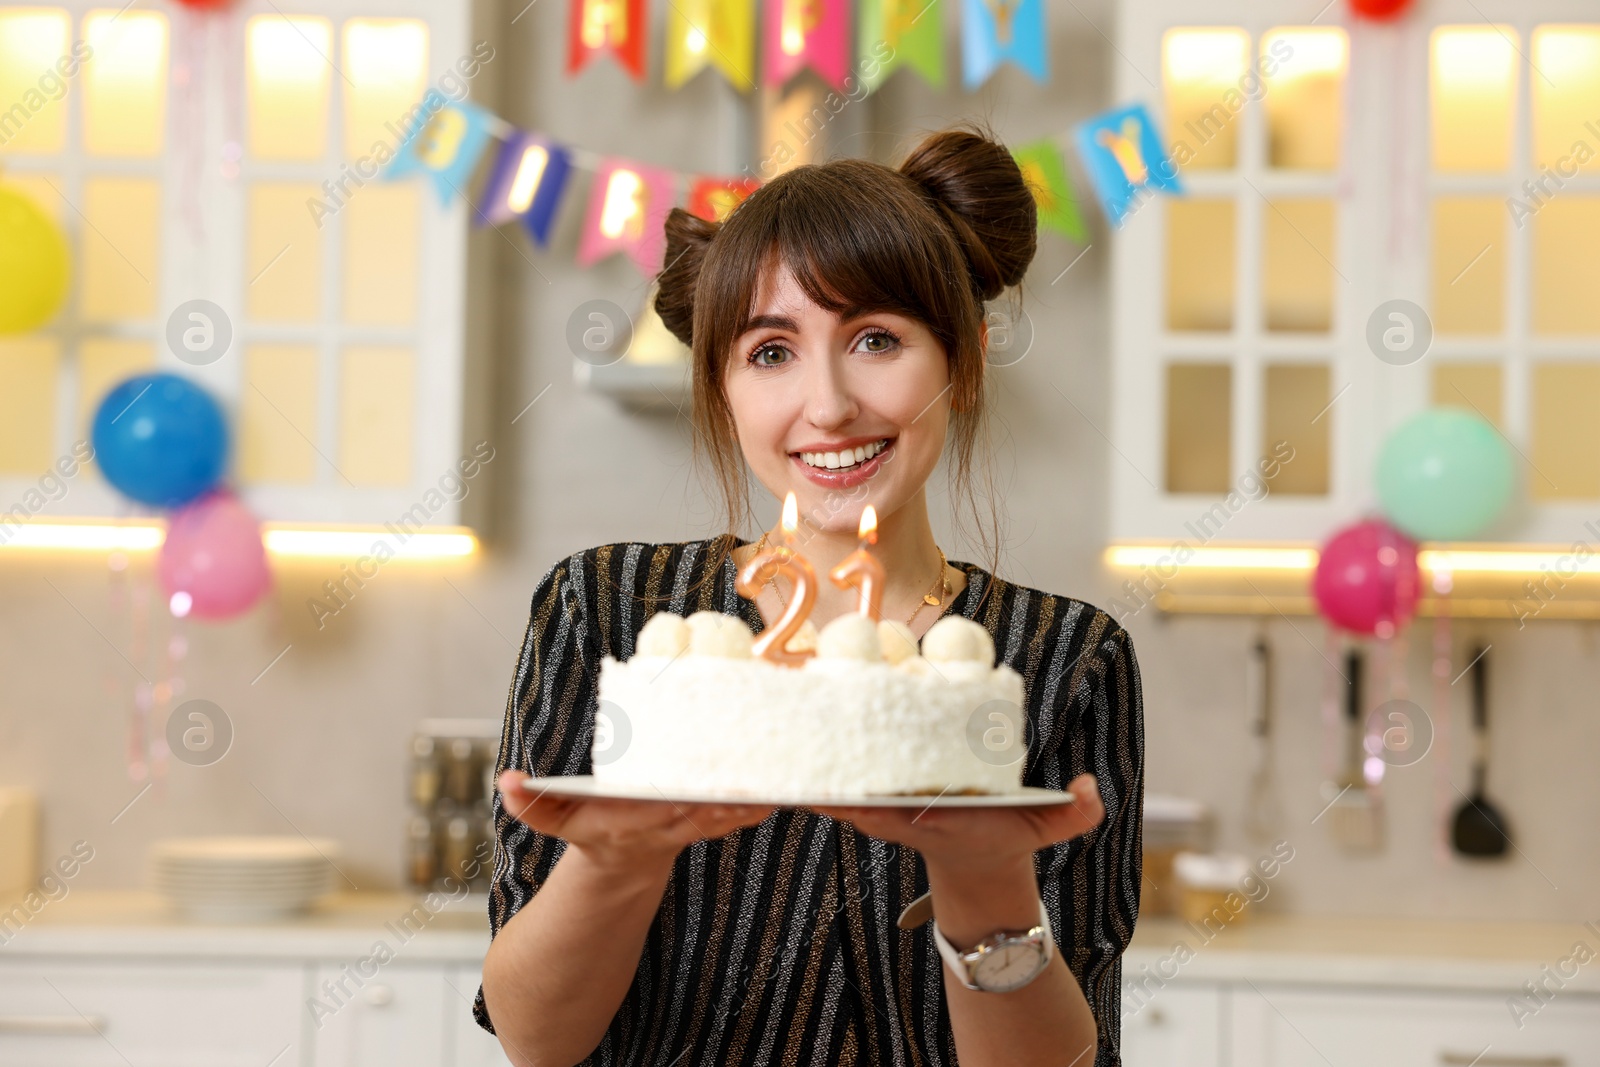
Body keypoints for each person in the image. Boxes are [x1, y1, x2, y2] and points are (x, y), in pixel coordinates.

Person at [474, 123, 1145, 1067]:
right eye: (771, 351)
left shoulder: (1067, 657)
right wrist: (614, 863)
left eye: (876, 338)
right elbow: (535, 1042)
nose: (827, 405)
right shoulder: (606, 611)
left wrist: (984, 877)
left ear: (965, 358)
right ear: (724, 385)